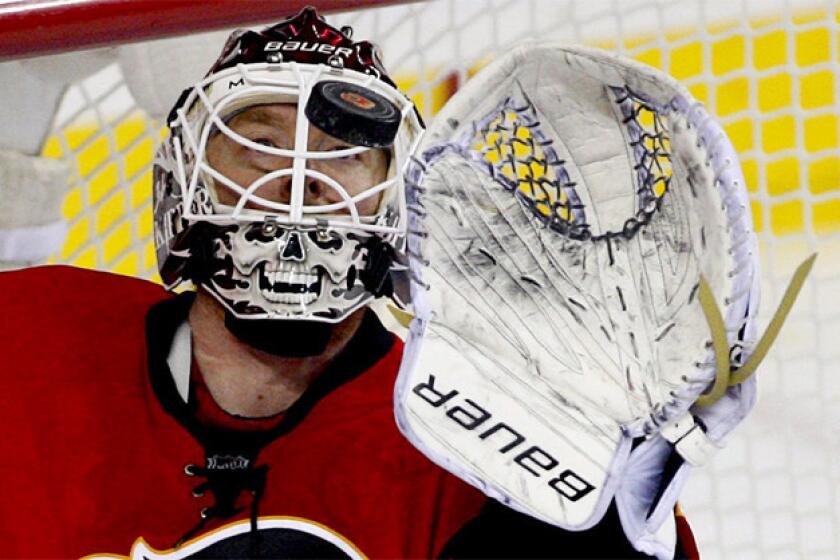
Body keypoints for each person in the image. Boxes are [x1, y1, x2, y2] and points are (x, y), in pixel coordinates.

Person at [0, 8, 697, 558]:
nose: (300, 185)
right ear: (188, 178)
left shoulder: (467, 447)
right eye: (261, 146)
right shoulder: (28, 338)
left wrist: (601, 506)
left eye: (342, 155)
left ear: (396, 196)